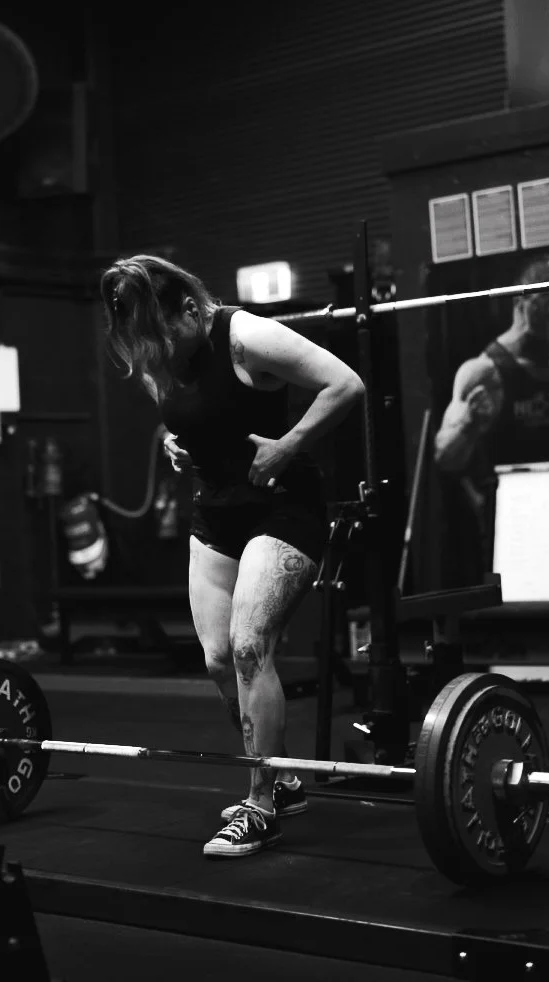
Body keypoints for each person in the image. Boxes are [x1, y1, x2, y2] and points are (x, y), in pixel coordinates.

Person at [101, 254, 364, 859]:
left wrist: (289, 444)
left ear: (191, 309)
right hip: (216, 511)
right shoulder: (154, 351)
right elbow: (182, 411)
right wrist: (175, 442)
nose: (154, 353)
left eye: (162, 335)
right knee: (219, 659)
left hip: (282, 506)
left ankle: (262, 803)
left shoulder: (245, 337)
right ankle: (285, 779)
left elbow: (346, 384)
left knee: (251, 646)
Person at [434, 255, 549, 554]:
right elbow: (444, 456)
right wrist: (469, 424)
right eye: (547, 297)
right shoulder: (483, 372)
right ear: (520, 301)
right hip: (513, 522)